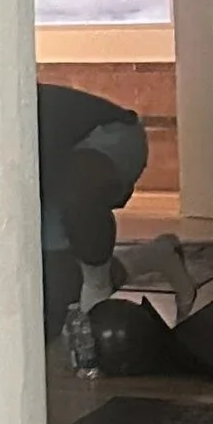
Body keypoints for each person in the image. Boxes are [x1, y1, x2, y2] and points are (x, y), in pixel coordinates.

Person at [39, 79, 149, 331]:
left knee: (78, 188)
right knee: (62, 284)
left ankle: (97, 290)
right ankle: (153, 257)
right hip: (56, 166)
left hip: (111, 133)